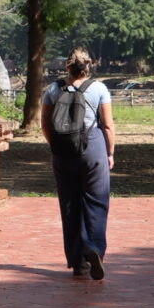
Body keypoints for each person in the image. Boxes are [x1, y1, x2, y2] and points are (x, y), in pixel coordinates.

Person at [41, 47, 115, 280]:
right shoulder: (99, 88)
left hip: (62, 152)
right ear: (88, 65)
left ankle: (78, 262)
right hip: (92, 147)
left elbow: (45, 123)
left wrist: (57, 145)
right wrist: (110, 153)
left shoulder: (53, 89)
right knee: (96, 201)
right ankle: (94, 247)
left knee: (69, 203)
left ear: (67, 66)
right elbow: (107, 125)